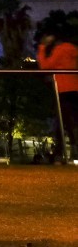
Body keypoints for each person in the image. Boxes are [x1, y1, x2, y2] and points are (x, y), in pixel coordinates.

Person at [37, 31, 78, 160]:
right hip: (75, 87)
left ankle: (61, 152)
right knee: (74, 120)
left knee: (61, 122)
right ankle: (73, 147)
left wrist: (42, 48)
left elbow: (45, 66)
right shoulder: (74, 49)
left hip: (62, 89)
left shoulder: (60, 50)